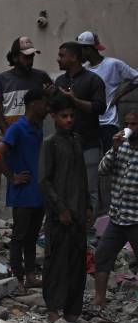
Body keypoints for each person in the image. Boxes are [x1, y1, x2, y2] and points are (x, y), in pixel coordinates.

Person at [39, 94, 90, 323]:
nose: (69, 120)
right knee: (56, 261)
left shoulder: (76, 140)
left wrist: (87, 205)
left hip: (78, 211)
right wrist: (60, 208)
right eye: (64, 116)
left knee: (77, 261)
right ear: (53, 117)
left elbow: (82, 177)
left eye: (71, 115)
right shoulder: (50, 143)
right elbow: (44, 181)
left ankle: (72, 310)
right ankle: (53, 308)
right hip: (60, 214)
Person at [0, 88, 47, 292]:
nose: (47, 107)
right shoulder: (17, 128)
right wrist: (12, 177)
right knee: (19, 237)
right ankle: (17, 278)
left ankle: (30, 275)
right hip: (23, 194)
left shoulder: (38, 128)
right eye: (44, 103)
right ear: (34, 104)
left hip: (38, 194)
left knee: (32, 237)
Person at [93, 112, 138, 313]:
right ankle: (99, 299)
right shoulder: (121, 147)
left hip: (135, 218)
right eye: (127, 124)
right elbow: (102, 170)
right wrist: (114, 148)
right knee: (102, 255)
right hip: (117, 217)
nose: (129, 127)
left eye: (134, 124)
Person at [54, 41, 106, 214]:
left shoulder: (93, 80)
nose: (58, 59)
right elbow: (55, 108)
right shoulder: (60, 81)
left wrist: (75, 101)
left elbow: (100, 108)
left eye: (62, 55)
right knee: (65, 186)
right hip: (64, 145)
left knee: (89, 189)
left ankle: (89, 231)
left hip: (88, 144)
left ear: (74, 57)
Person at [77, 31, 138, 152]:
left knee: (111, 158)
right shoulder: (84, 69)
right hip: (90, 124)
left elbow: (136, 78)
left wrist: (119, 96)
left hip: (108, 123)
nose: (79, 53)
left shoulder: (113, 64)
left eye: (81, 49)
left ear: (89, 49)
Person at [0, 36, 52, 134]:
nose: (30, 61)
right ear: (15, 58)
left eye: (32, 57)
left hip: (34, 135)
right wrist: (7, 133)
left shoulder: (41, 76)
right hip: (11, 136)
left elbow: (52, 101)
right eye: (26, 57)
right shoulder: (1, 79)